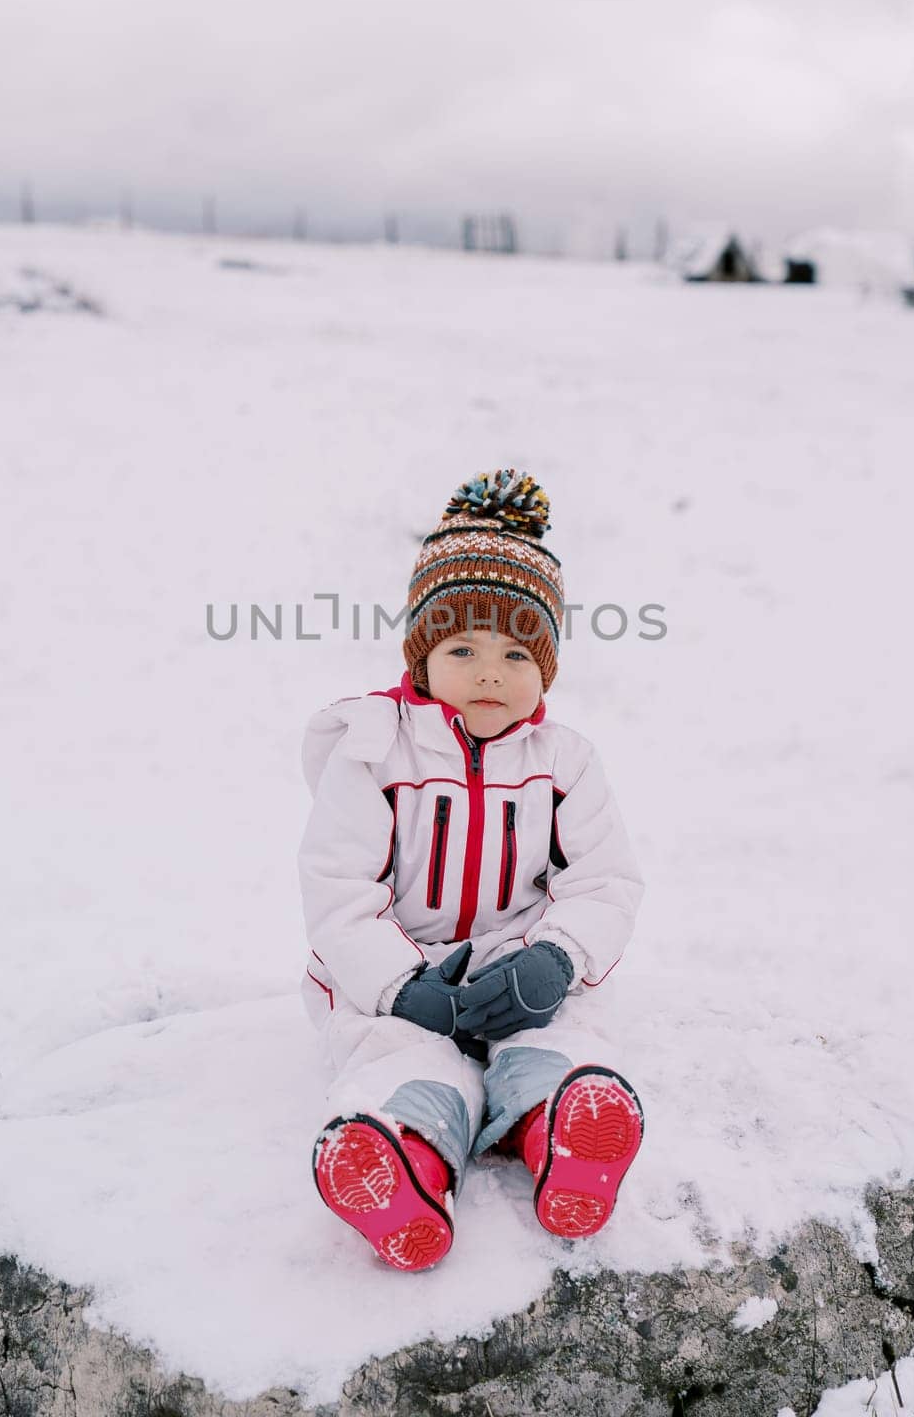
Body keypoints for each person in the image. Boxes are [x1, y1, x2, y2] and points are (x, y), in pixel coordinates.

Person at [297, 467, 645, 1272]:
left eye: (517, 653)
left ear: (546, 668)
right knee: (401, 1059)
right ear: (420, 657)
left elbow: (604, 881)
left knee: (556, 1038)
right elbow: (339, 889)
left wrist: (556, 960)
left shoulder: (566, 762)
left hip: (520, 967)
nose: (491, 672)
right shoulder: (371, 751)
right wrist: (399, 986)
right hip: (403, 971)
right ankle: (401, 1164)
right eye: (462, 648)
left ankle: (564, 1128)